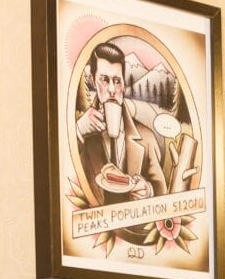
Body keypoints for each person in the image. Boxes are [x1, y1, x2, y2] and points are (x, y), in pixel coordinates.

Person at [74, 38, 199, 204]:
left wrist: (148, 190)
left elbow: (160, 189)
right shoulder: (79, 131)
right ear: (93, 81)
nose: (112, 89)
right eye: (104, 79)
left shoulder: (146, 137)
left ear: (124, 84)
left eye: (116, 81)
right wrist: (79, 130)